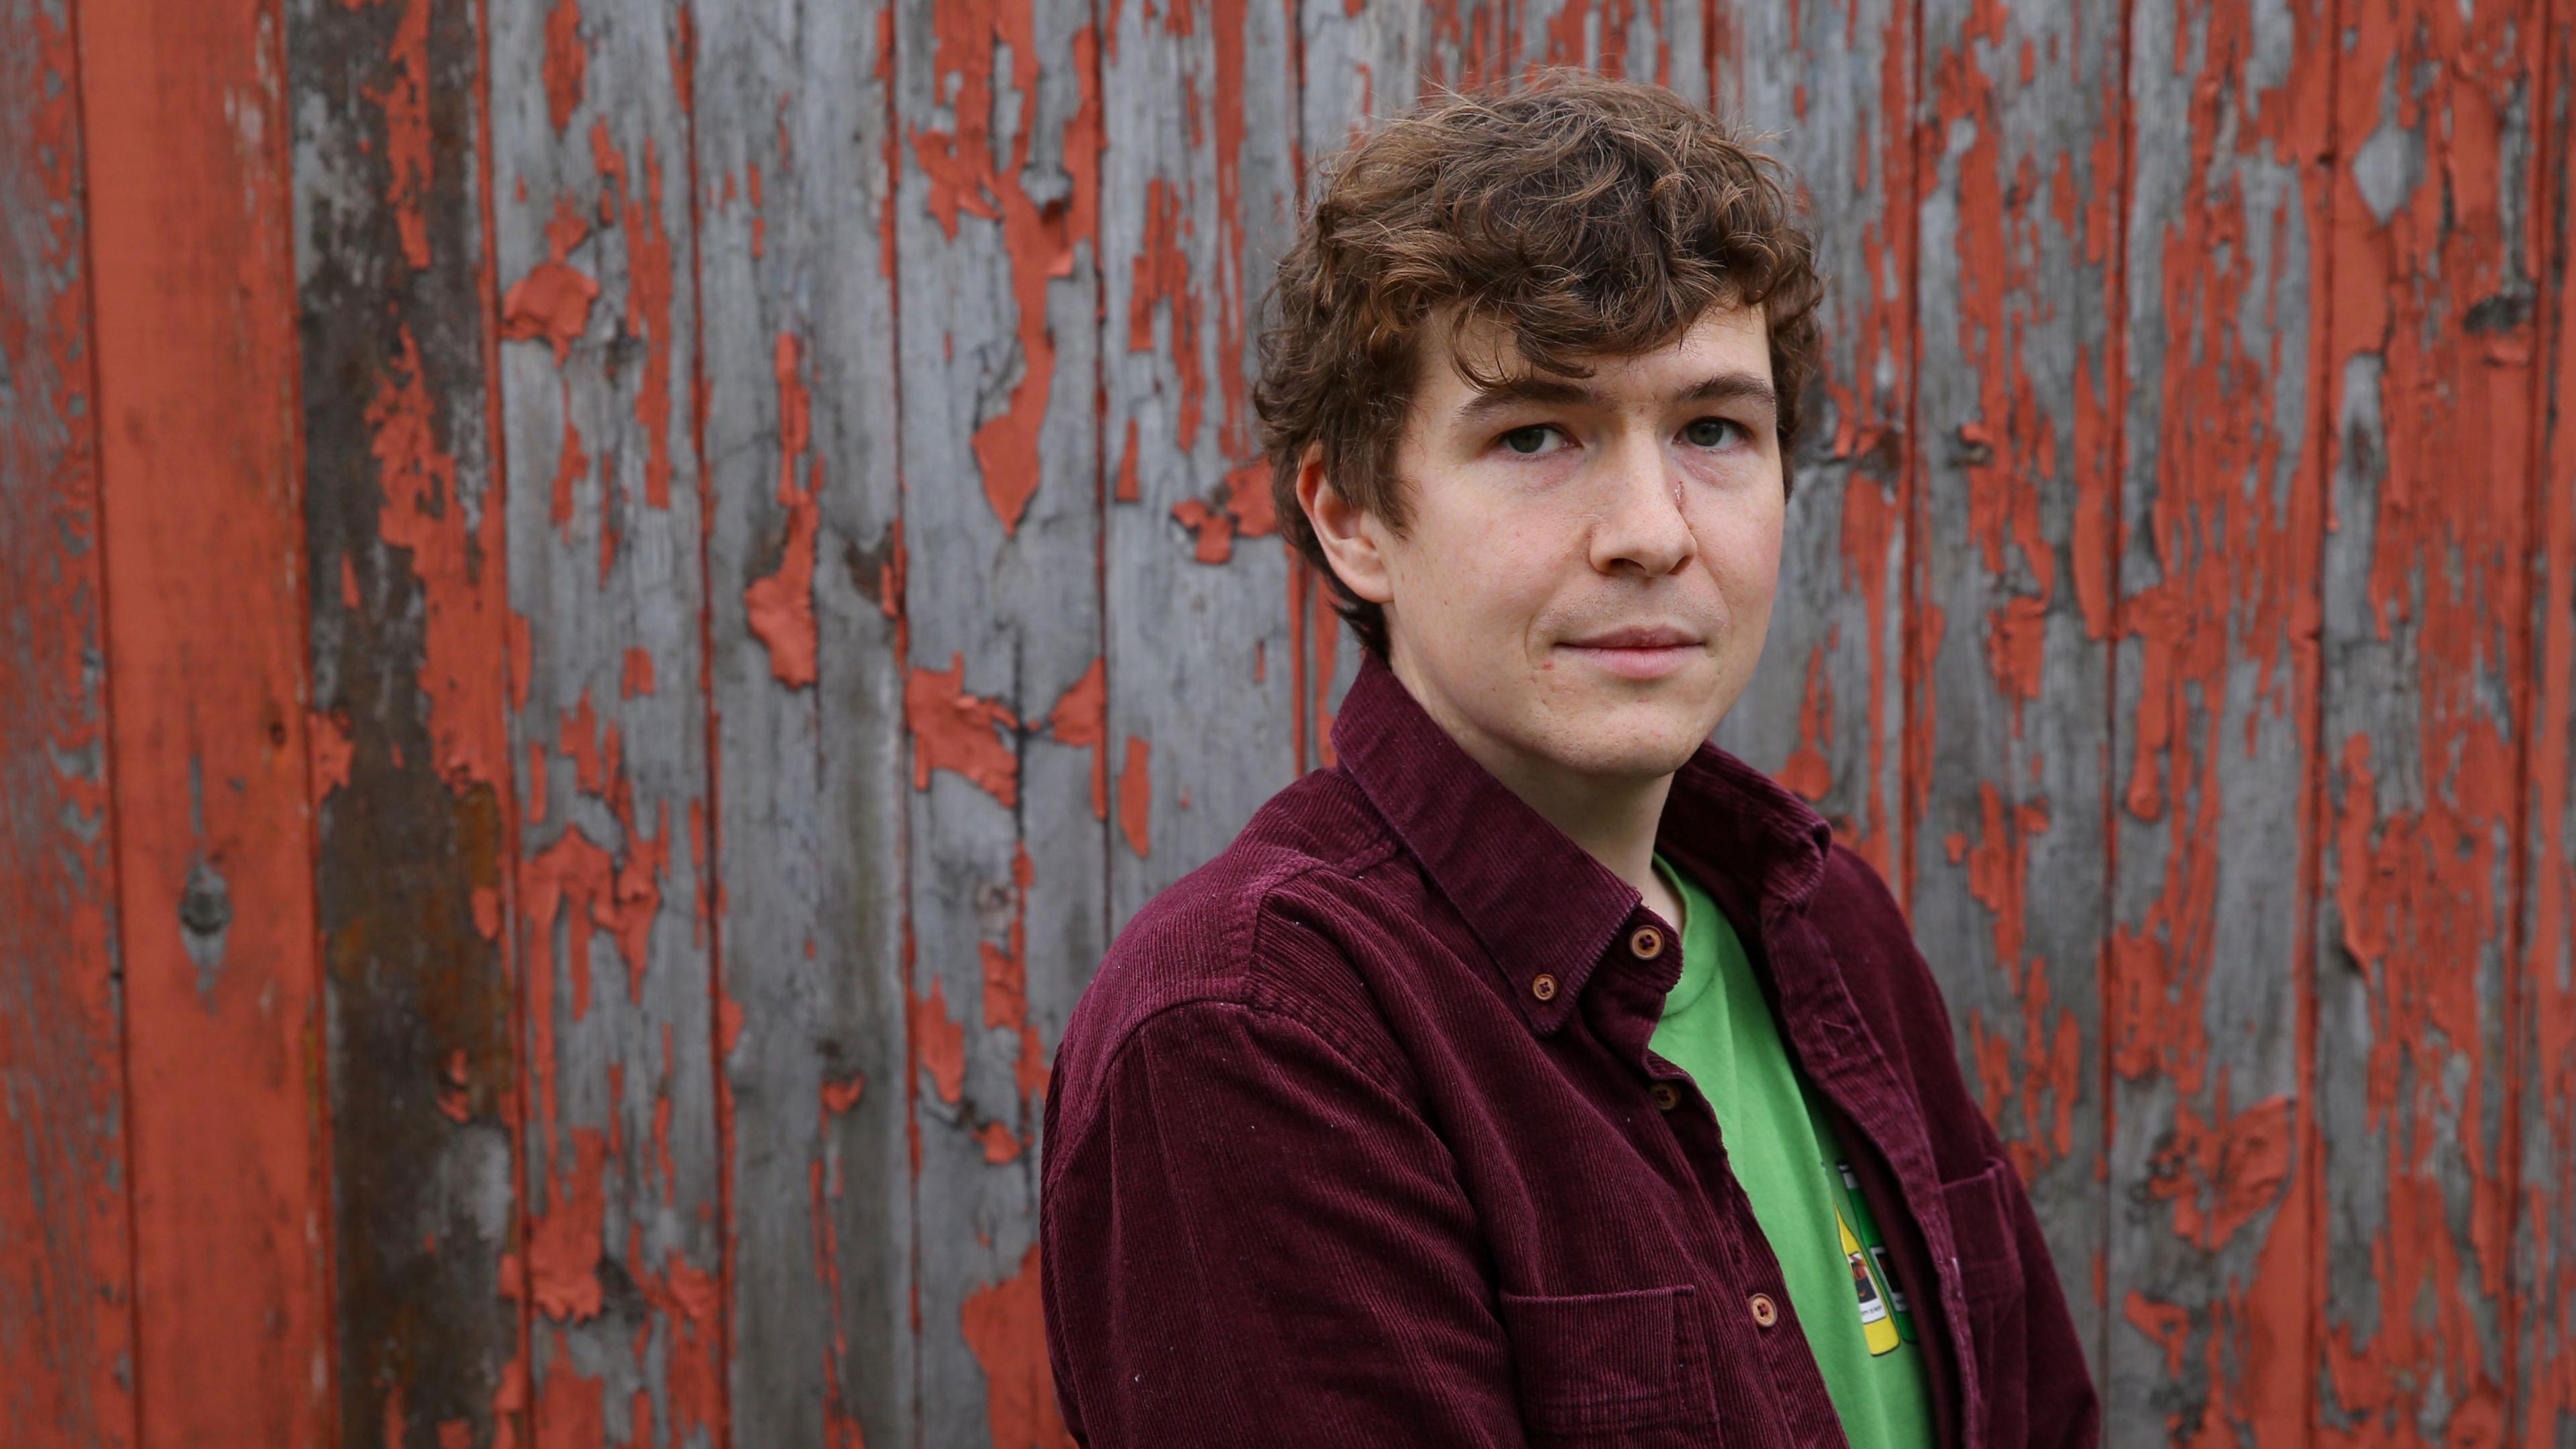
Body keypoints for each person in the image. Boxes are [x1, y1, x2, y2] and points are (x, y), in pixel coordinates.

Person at [1038, 72, 2098, 1448]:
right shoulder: (1256, 1033)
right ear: (1353, 517)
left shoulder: (1826, 928)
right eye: (1536, 434)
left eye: (1713, 430)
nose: (1651, 530)